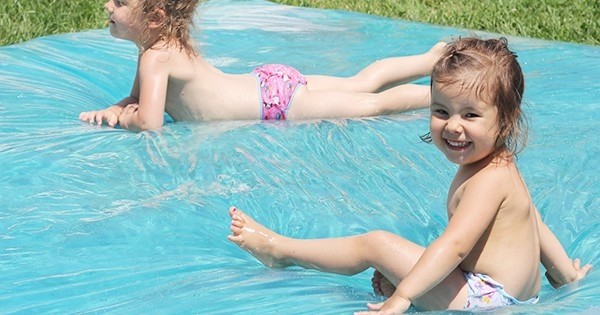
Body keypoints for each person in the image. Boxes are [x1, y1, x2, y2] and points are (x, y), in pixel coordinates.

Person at [226, 37, 592, 314]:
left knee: (377, 245)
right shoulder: (503, 164)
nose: (452, 126)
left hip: (486, 300)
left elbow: (455, 246)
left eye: (470, 115)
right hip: (514, 295)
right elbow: (534, 222)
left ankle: (280, 252)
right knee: (394, 263)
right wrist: (564, 275)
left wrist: (403, 296)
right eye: (440, 110)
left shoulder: (486, 179)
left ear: (506, 120)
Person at [79, 0, 445, 132]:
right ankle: (430, 60)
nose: (108, 6)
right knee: (360, 82)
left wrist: (123, 119)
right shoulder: (160, 48)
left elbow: (150, 121)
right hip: (268, 82)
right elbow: (137, 98)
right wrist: (116, 106)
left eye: (120, 2)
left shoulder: (155, 57)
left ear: (156, 17)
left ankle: (439, 97)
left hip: (276, 105)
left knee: (371, 106)